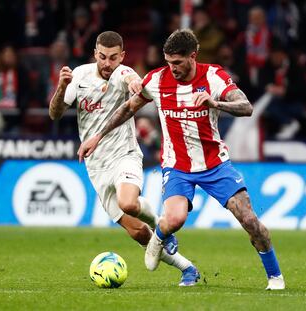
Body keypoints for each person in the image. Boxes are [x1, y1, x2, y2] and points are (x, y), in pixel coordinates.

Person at [78, 29, 285, 290]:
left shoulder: (213, 76)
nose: (172, 68)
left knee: (249, 220)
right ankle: (160, 237)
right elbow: (128, 108)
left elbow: (246, 107)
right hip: (177, 167)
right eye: (168, 62)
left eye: (177, 62)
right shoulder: (157, 80)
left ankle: (275, 277)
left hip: (215, 165)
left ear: (193, 56)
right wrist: (98, 135)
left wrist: (215, 104)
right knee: (174, 219)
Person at [49, 31, 199, 286]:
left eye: (113, 58)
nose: (108, 63)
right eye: (103, 57)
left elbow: (131, 79)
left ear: (122, 56)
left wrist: (134, 83)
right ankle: (188, 269)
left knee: (128, 203)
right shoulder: (80, 76)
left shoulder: (122, 72)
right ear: (95, 54)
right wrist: (62, 86)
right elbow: (55, 113)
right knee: (139, 232)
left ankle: (162, 227)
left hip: (124, 154)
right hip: (96, 166)